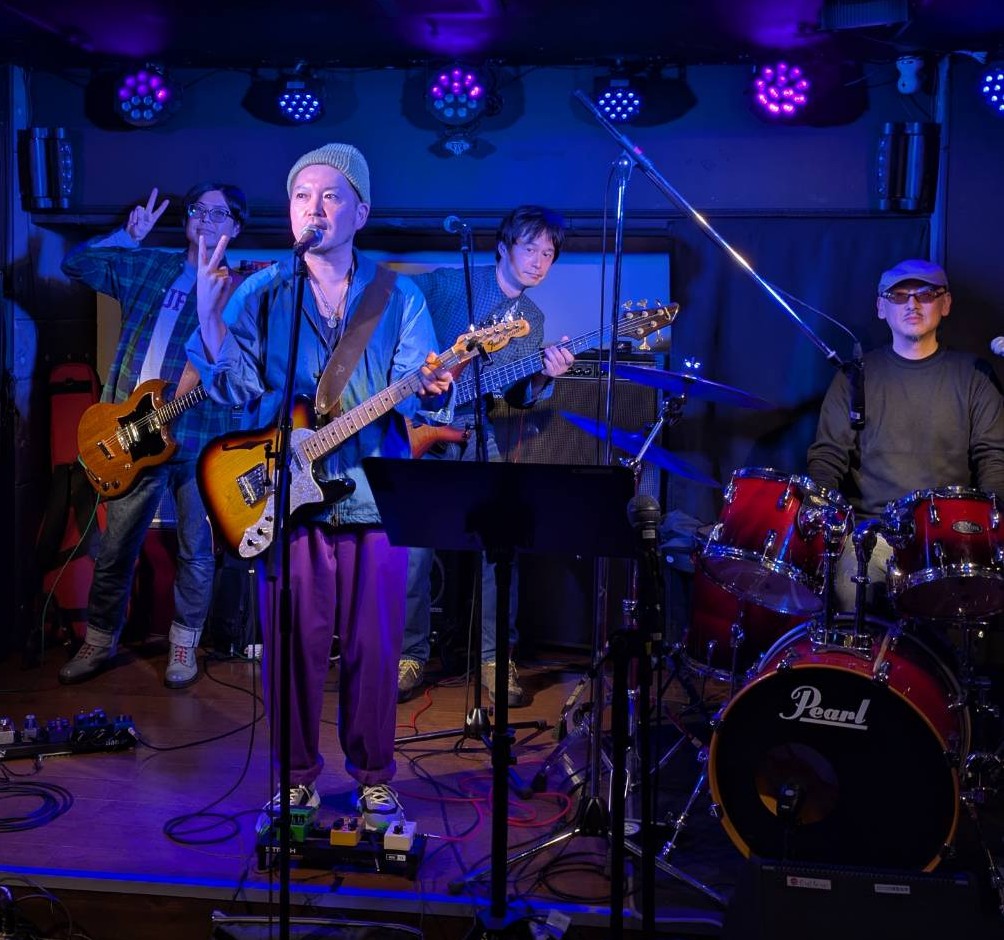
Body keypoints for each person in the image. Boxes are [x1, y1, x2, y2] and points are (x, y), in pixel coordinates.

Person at [188, 142, 453, 830]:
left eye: (331, 195)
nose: (315, 208)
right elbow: (234, 390)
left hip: (373, 496)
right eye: (303, 196)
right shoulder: (263, 293)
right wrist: (210, 318)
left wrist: (433, 387)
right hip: (287, 500)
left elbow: (423, 391)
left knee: (375, 649)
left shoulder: (399, 296)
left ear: (360, 211)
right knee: (291, 650)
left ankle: (374, 778)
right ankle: (295, 778)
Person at [59, 182, 248, 688]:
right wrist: (127, 237)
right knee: (116, 546)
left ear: (235, 228)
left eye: (219, 214)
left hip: (201, 434)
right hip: (132, 434)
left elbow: (237, 370)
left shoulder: (240, 291)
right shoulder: (151, 267)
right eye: (198, 210)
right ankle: (99, 640)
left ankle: (183, 646)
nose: (205, 219)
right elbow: (76, 265)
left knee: (196, 551)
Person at [398, 205, 574, 707]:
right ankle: (408, 655)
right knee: (413, 550)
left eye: (548, 253)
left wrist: (542, 378)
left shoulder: (532, 319)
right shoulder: (448, 284)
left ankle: (497, 659)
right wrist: (418, 372)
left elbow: (514, 395)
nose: (538, 261)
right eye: (530, 248)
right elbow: (394, 311)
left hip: (476, 429)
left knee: (502, 541)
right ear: (503, 247)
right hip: (420, 427)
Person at [807, 258, 1004, 613]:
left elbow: (993, 459)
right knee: (851, 590)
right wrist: (826, 517)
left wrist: (988, 532)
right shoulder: (855, 377)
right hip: (874, 534)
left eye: (925, 294)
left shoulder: (975, 375)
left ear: (946, 303)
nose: (912, 304)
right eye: (899, 296)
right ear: (881, 307)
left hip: (951, 535)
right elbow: (827, 457)